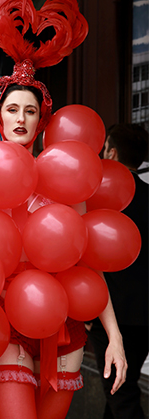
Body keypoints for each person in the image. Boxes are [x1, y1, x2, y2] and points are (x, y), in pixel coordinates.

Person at [0, 0, 127, 419]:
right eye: (12, 110)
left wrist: (114, 336)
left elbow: (88, 261)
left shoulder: (61, 180)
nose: (20, 119)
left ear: (41, 121)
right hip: (5, 323)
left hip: (64, 323)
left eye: (29, 111)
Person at [87, 124, 148, 419]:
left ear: (111, 152)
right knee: (122, 386)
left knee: (121, 396)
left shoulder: (96, 197)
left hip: (110, 312)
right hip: (144, 315)